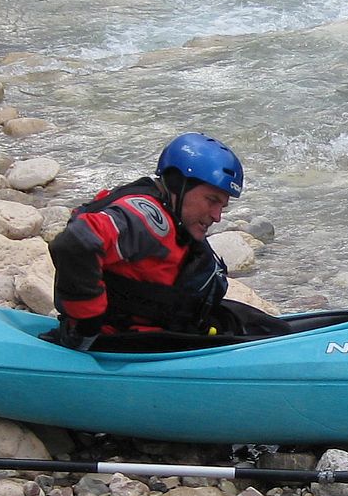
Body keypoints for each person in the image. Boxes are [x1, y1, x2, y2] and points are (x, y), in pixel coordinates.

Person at [43, 133, 288, 349]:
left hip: (182, 324)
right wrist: (86, 327)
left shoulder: (171, 214)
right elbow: (75, 243)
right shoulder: (146, 218)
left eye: (222, 206)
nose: (217, 216)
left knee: (272, 328)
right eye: (211, 200)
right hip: (134, 342)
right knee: (271, 341)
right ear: (177, 183)